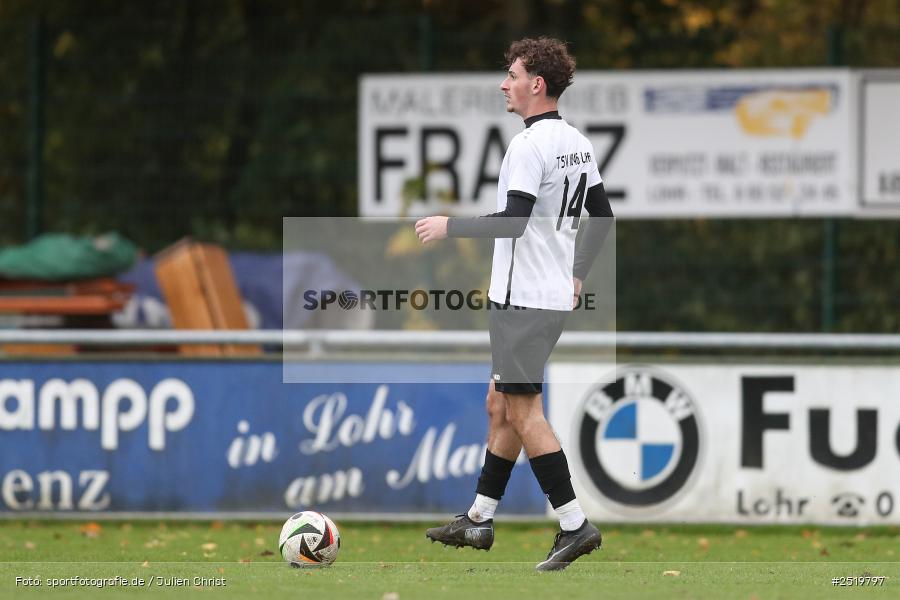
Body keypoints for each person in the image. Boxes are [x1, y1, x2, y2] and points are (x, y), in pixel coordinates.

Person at [414, 37, 613, 571]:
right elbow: (604, 218)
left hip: (522, 300)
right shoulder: (576, 142)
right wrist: (575, 274)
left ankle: (574, 525)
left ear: (536, 84)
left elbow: (514, 220)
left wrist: (447, 225)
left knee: (524, 412)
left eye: (512, 74)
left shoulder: (528, 146)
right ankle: (479, 518)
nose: (505, 83)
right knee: (498, 404)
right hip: (543, 298)